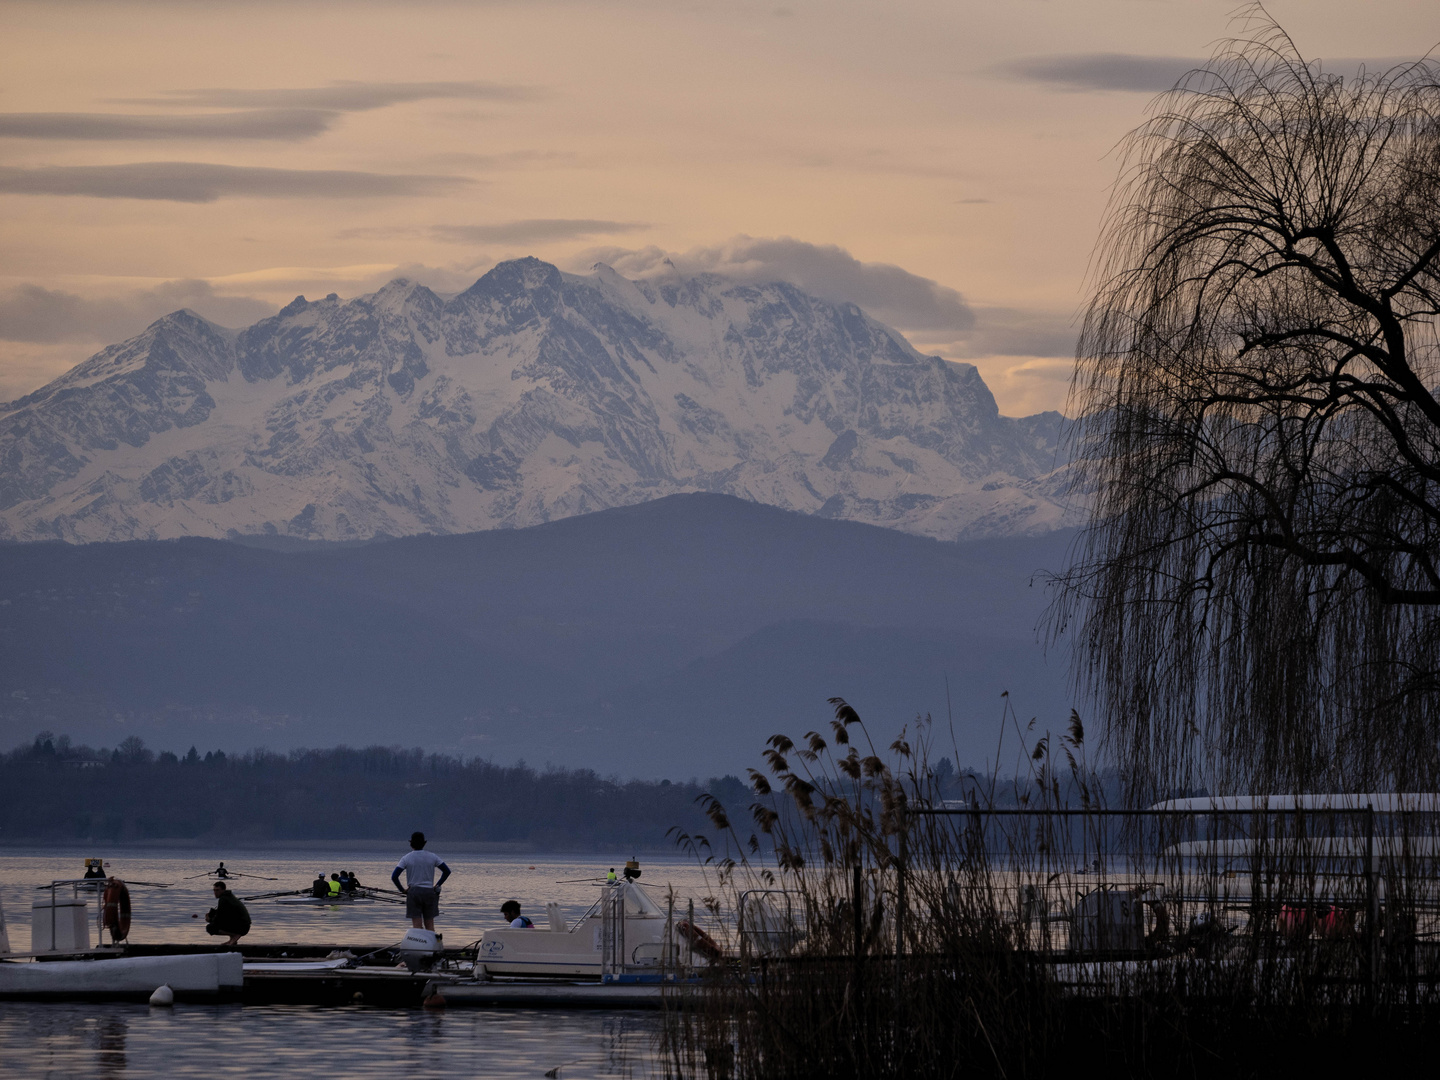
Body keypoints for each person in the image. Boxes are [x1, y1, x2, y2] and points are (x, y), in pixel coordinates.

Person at [391, 831, 450, 931]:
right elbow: (447, 871)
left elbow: (394, 876)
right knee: (430, 926)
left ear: (411, 844)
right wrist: (437, 885)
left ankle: (419, 944)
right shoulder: (433, 856)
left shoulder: (406, 858)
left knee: (417, 926)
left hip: (413, 892)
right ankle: (431, 944)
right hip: (429, 892)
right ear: (424, 843)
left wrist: (402, 890)